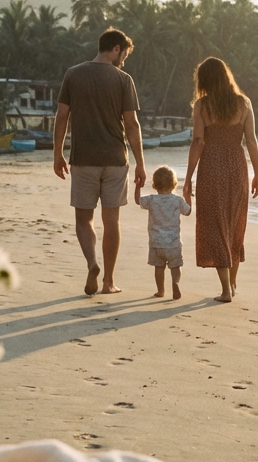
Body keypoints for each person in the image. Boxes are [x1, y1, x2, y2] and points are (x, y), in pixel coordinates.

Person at [54, 29, 146, 295]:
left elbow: (62, 117)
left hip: (83, 159)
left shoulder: (73, 74)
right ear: (115, 49)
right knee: (112, 221)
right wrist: (140, 162)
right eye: (124, 54)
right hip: (116, 160)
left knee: (84, 219)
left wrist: (57, 153)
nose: (124, 61)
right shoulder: (123, 79)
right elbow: (132, 124)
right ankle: (108, 282)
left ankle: (92, 263)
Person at [183, 57, 258, 302]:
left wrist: (188, 178)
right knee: (234, 223)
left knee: (215, 224)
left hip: (212, 166)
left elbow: (198, 142)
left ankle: (226, 289)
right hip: (237, 167)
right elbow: (251, 140)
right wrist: (257, 174)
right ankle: (233, 283)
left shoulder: (202, 106)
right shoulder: (243, 103)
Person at [135, 165, 192, 300]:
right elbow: (188, 211)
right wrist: (187, 196)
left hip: (156, 243)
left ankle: (160, 291)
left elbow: (138, 201)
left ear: (154, 184)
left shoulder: (152, 200)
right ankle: (176, 284)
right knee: (175, 266)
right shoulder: (177, 200)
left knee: (159, 268)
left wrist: (138, 186)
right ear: (174, 184)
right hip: (174, 243)